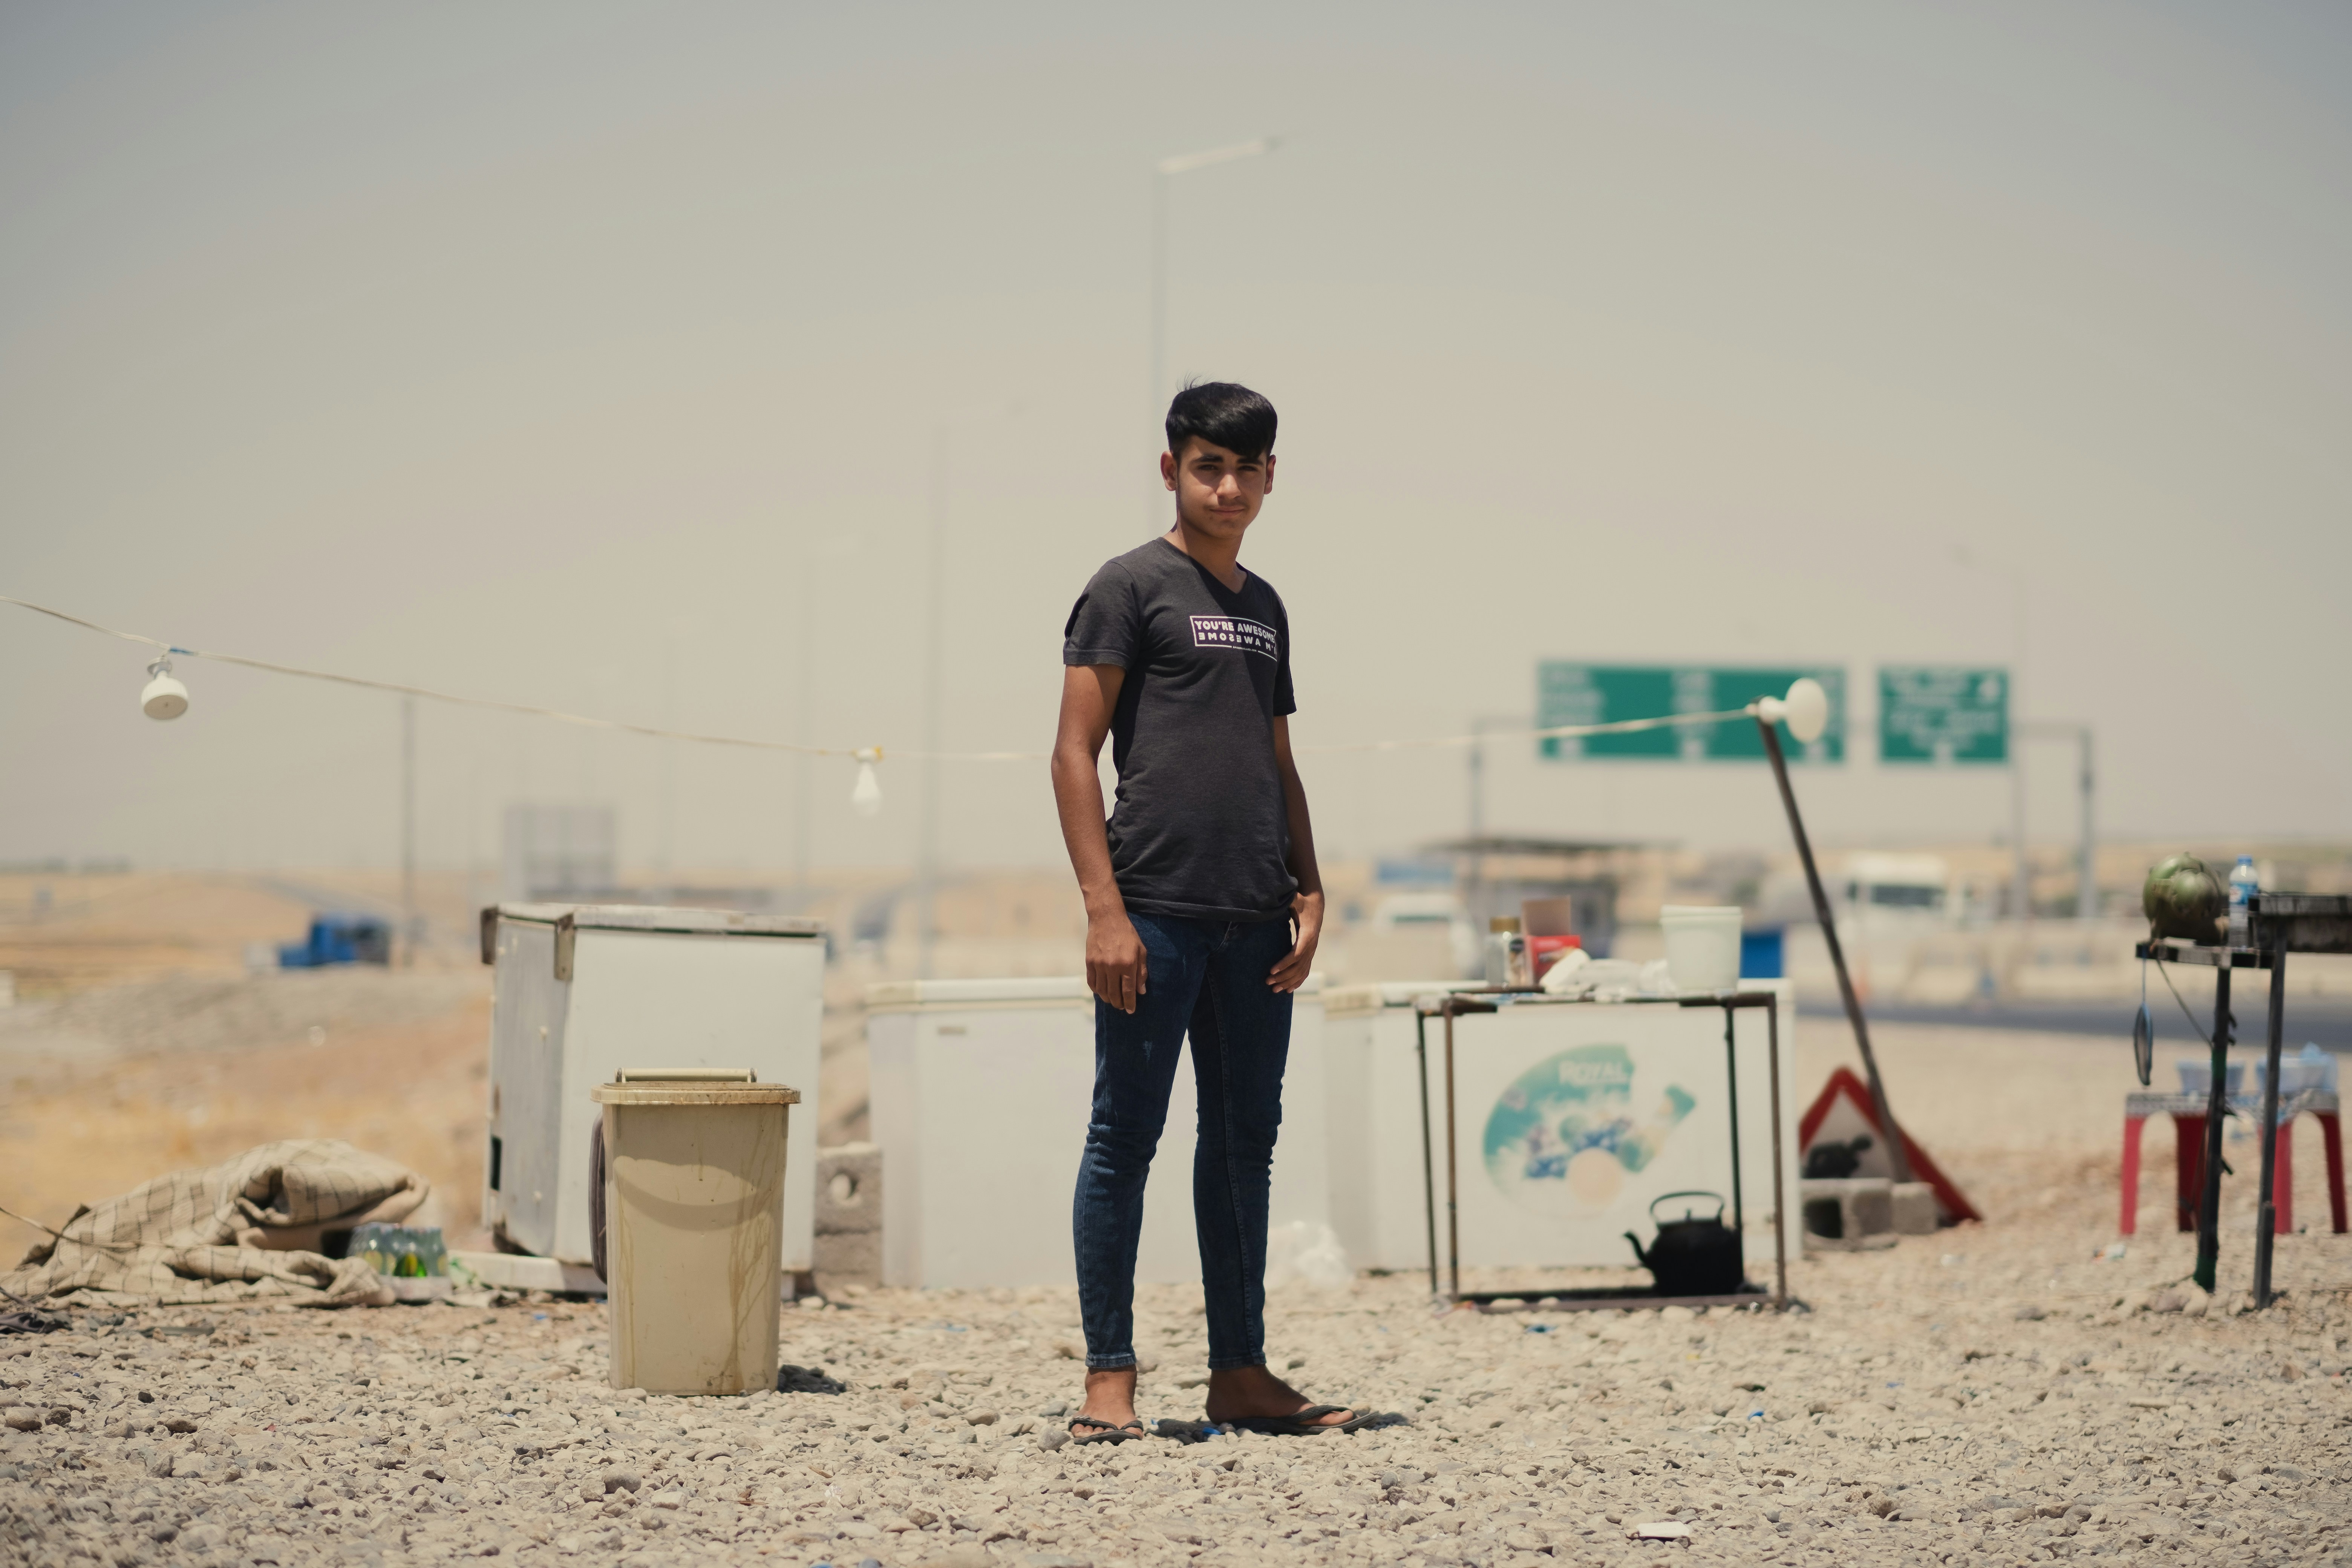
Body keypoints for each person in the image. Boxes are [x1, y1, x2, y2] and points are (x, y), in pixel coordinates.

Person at [1050, 381, 1366, 1443]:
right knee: (1123, 1140)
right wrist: (1105, 911)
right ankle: (1109, 1380)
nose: (1227, 488)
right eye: (1206, 468)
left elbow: (1279, 761)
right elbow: (1071, 755)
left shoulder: (1267, 608)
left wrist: (1312, 886)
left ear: (1273, 475)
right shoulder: (1127, 586)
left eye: (1247, 469)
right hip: (1156, 916)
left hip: (1254, 924)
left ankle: (1240, 1371)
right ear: (1172, 470)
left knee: (1242, 1149)